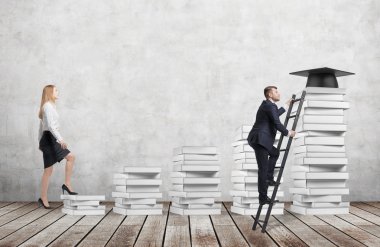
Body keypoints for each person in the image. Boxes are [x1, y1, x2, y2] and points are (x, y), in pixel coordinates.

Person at [247, 86, 296, 205]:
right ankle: (263, 198)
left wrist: (286, 105)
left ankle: (269, 178)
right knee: (262, 169)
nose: (279, 93)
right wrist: (288, 133)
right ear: (269, 94)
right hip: (260, 139)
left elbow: (275, 115)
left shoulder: (268, 105)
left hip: (260, 139)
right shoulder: (269, 105)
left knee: (275, 153)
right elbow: (276, 122)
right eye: (276, 92)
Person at [37, 85, 77, 209]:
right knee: (69, 158)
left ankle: (64, 186)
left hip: (48, 138)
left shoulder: (49, 106)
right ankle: (64, 186)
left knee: (49, 170)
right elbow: (50, 126)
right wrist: (60, 139)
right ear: (50, 92)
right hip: (50, 138)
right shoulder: (48, 106)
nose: (58, 92)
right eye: (56, 90)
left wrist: (40, 141)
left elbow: (41, 127)